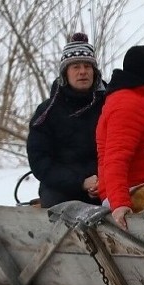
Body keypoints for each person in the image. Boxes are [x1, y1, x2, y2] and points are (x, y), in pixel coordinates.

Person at [26, 32, 106, 208]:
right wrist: (80, 182)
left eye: (87, 66)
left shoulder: (109, 105)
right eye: (75, 66)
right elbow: (40, 161)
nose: (83, 71)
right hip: (62, 189)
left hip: (106, 184)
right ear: (65, 73)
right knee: (58, 208)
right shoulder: (47, 111)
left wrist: (104, 179)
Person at [96, 45, 144, 229]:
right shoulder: (129, 104)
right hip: (136, 194)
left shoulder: (135, 98)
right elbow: (116, 157)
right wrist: (120, 203)